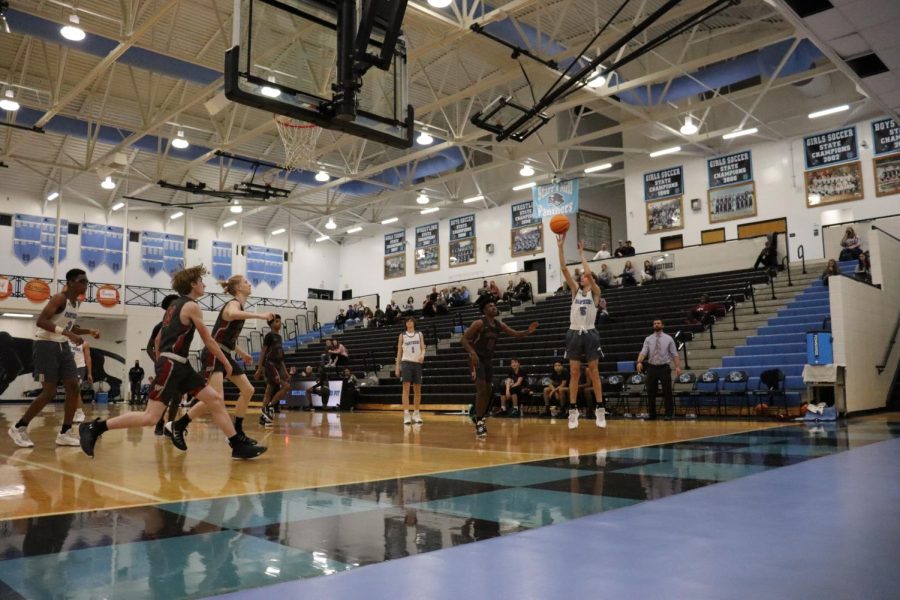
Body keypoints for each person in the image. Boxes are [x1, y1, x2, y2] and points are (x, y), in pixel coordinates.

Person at [78, 265, 266, 460]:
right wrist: (225, 363)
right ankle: (95, 427)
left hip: (179, 364)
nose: (204, 284)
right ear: (193, 284)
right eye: (201, 281)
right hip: (173, 365)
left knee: (216, 400)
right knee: (150, 418)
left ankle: (236, 445)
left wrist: (162, 361)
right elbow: (209, 340)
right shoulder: (192, 306)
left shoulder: (174, 306)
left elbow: (158, 340)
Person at [175, 274, 274, 444]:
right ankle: (180, 424)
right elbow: (233, 313)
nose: (249, 284)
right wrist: (260, 316)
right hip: (214, 354)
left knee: (248, 390)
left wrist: (242, 353)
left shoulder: (240, 305)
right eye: (245, 282)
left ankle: (238, 429)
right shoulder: (234, 304)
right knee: (215, 398)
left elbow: (225, 337)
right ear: (237, 288)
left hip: (224, 352)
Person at [8, 269, 99, 448]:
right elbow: (41, 321)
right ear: (71, 282)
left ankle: (64, 432)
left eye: (87, 282)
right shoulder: (60, 298)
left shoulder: (75, 304)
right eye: (82, 281)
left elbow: (68, 326)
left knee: (73, 387)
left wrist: (88, 331)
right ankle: (19, 427)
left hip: (62, 346)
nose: (85, 285)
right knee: (48, 392)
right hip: (45, 345)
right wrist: (68, 334)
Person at [461, 302, 538, 438]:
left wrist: (527, 331)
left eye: (494, 305)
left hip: (487, 360)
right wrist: (472, 353)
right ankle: (479, 422)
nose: (494, 307)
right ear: (485, 310)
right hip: (476, 359)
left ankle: (479, 416)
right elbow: (464, 339)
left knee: (490, 390)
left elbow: (515, 334)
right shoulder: (479, 323)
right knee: (482, 390)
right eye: (490, 306)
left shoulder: (498, 324)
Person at [557, 233, 606, 429]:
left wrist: (582, 255)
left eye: (586, 276)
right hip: (574, 332)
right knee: (575, 373)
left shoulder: (596, 292)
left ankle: (600, 410)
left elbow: (589, 273)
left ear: (591, 279)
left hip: (591, 333)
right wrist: (561, 247)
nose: (583, 277)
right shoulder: (574, 291)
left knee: (593, 371)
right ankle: (572, 410)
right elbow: (563, 269)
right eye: (583, 276)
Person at [146, 293, 182, 435]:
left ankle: (170, 425)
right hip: (164, 364)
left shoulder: (182, 323)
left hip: (178, 364)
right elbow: (150, 347)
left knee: (177, 396)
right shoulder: (160, 326)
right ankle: (160, 422)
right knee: (164, 397)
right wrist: (157, 360)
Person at [636, 319, 682, 420]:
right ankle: (652, 415)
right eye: (655, 323)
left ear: (662, 325)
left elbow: (674, 354)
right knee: (650, 392)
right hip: (651, 367)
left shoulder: (669, 339)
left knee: (667, 391)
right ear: (653, 326)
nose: (656, 325)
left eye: (658, 323)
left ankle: (669, 414)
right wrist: (639, 362)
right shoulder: (648, 339)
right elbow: (644, 351)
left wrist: (677, 367)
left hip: (664, 368)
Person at [255, 314, 295, 427]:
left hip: (277, 364)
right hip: (270, 364)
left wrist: (285, 372)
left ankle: (264, 416)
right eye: (277, 321)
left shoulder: (280, 337)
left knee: (269, 390)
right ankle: (269, 407)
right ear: (271, 324)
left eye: (280, 321)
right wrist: (259, 368)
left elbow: (281, 357)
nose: (279, 323)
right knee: (286, 386)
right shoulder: (269, 336)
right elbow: (263, 352)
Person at [395, 317, 426, 425]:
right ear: (405, 324)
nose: (409, 322)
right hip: (406, 363)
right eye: (407, 321)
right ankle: (406, 414)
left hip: (417, 363)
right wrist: (397, 367)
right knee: (406, 390)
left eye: (411, 320)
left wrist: (422, 355)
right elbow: (399, 351)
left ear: (414, 322)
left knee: (417, 390)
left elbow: (423, 348)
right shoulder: (402, 335)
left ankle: (416, 413)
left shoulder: (419, 334)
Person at [70, 338, 91, 422]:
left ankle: (80, 412)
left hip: (79, 368)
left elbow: (88, 358)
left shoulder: (85, 343)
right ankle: (74, 412)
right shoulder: (66, 341)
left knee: (76, 390)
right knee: (71, 392)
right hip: (68, 368)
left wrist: (89, 373)